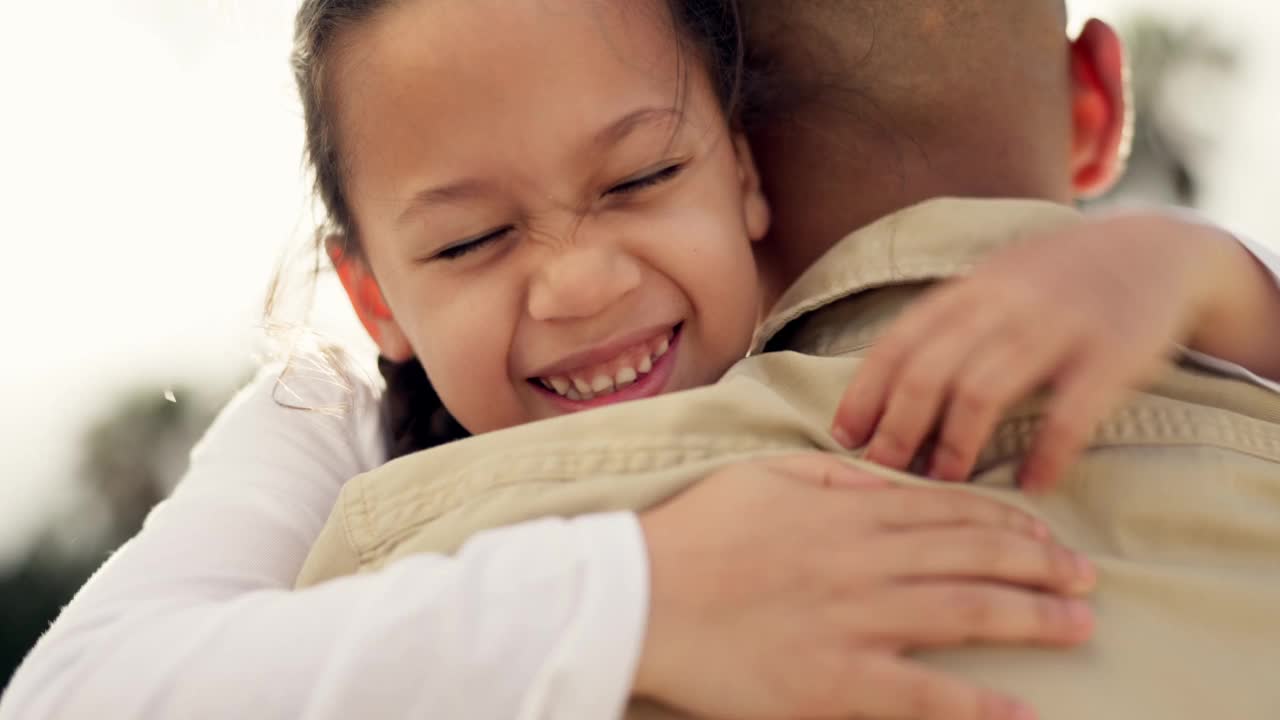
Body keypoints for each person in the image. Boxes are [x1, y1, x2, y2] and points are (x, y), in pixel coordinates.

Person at [3, 2, 1278, 720]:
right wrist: (629, 595)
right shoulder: (339, 413)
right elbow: (76, 698)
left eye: (642, 177)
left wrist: (1218, 276)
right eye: (472, 238)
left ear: (743, 174)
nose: (581, 278)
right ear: (369, 294)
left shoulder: (1159, 334)